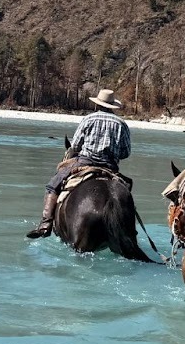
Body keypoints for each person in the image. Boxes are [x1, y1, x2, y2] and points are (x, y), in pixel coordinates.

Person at [27, 88, 131, 238]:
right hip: (110, 167)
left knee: (52, 185)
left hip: (85, 161)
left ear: (98, 104)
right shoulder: (122, 124)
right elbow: (126, 152)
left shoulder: (88, 119)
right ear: (112, 106)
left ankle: (45, 224)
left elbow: (75, 145)